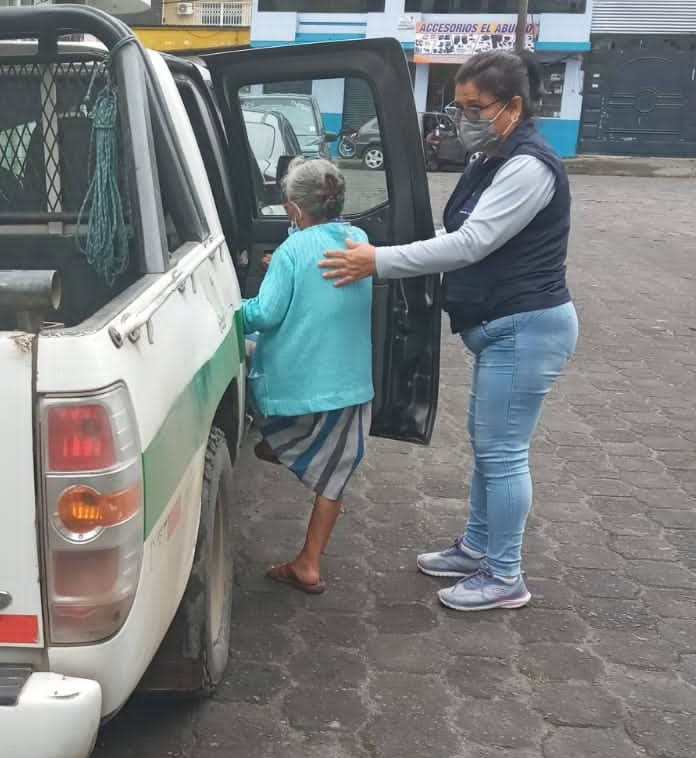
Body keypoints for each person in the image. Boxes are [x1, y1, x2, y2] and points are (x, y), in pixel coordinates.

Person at [319, 49, 577, 612]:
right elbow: (454, 231)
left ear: (512, 107)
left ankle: (504, 576)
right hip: (502, 328)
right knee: (489, 448)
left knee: (503, 453)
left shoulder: (529, 166)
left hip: (526, 327)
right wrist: (379, 241)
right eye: (458, 107)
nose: (464, 118)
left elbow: (471, 244)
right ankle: (478, 548)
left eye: (475, 108)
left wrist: (379, 260)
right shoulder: (491, 158)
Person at [244, 158, 374, 595]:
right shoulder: (359, 239)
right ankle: (309, 563)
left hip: (297, 384)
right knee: (334, 477)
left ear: (294, 209)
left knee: (246, 358)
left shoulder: (292, 250)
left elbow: (265, 314)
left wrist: (226, 311)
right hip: (351, 384)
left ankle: (278, 444)